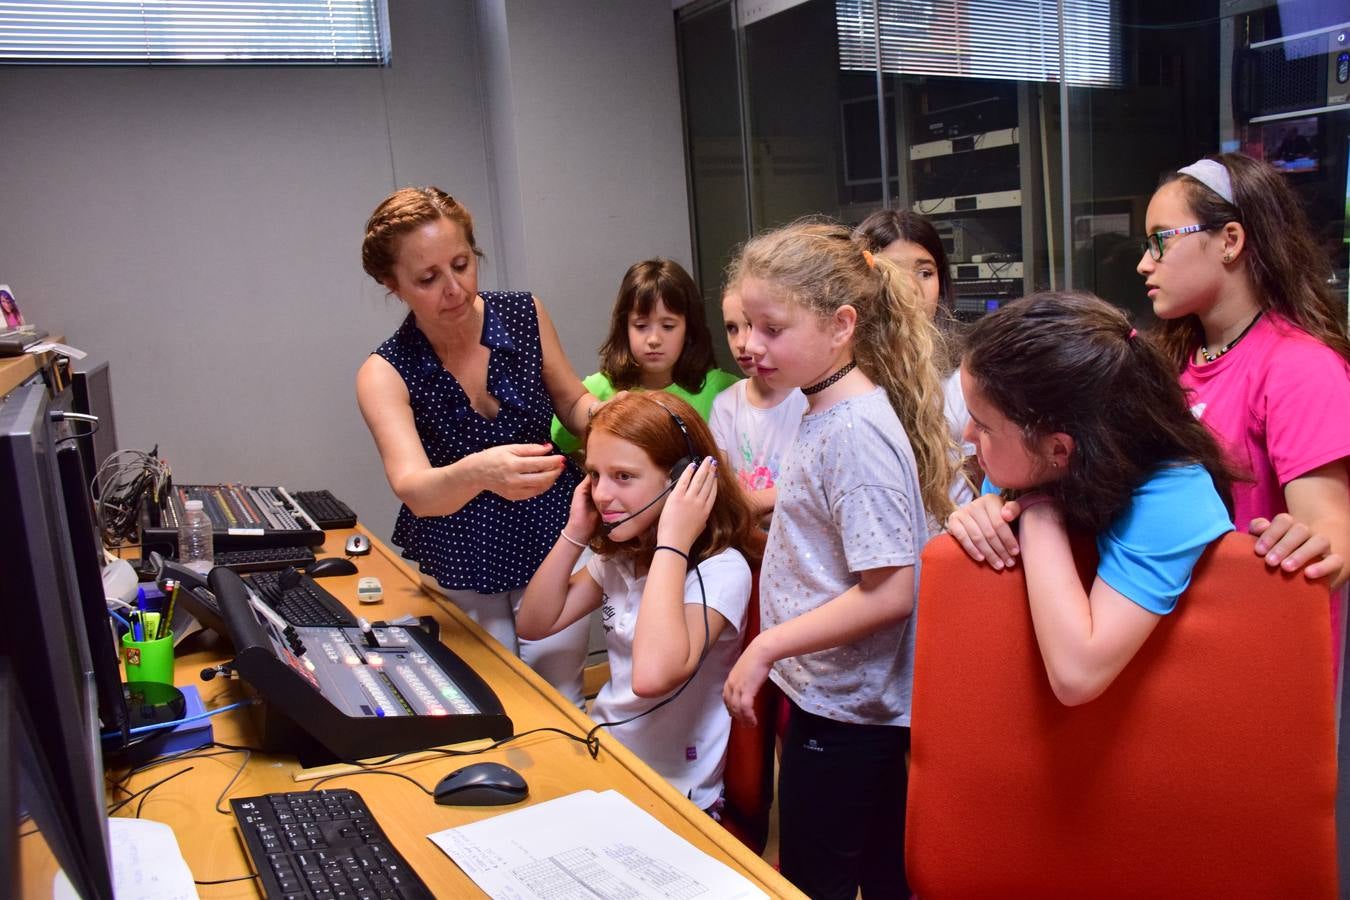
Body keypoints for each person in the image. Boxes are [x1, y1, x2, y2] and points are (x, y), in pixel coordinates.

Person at [721, 220, 957, 899]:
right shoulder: (822, 407)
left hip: (847, 714)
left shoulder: (852, 431)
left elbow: (890, 593)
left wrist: (767, 647)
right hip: (835, 700)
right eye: (747, 325)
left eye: (773, 328)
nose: (753, 346)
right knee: (881, 875)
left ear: (840, 325)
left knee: (817, 881)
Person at [356, 186, 598, 703]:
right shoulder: (384, 373)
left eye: (463, 264)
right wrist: (479, 472)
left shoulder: (525, 313)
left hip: (553, 529)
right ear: (391, 284)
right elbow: (416, 489)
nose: (455, 289)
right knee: (491, 697)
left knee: (562, 693)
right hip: (465, 547)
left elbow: (572, 401)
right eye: (427, 278)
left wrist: (609, 421)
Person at [945, 292, 1238, 706]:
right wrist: (980, 515)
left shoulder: (1177, 492)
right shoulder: (1036, 464)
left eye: (984, 426)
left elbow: (1077, 675)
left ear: (1059, 450)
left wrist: (1037, 513)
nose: (968, 438)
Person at [517, 393, 760, 812]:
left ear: (683, 480)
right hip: (608, 758)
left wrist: (673, 540)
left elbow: (651, 677)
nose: (603, 494)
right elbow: (534, 623)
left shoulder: (722, 572)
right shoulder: (622, 557)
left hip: (677, 793)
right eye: (594, 475)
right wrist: (575, 530)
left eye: (623, 477)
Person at [1138, 153, 1350, 589]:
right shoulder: (1170, 358)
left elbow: (1331, 529)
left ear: (1230, 240)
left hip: (1254, 640)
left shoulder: (1299, 366)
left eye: (1161, 240)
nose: (1144, 263)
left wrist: (1312, 545)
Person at [551, 259, 739, 454]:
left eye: (668, 326)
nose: (654, 339)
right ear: (624, 327)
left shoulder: (724, 389)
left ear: (689, 329)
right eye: (641, 326)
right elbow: (554, 445)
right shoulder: (596, 391)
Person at [855, 209, 975, 503]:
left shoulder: (965, 373)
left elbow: (982, 481)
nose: (912, 289)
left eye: (925, 273)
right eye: (894, 272)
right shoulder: (838, 372)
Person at [708, 286, 806, 521]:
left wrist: (748, 504)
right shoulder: (725, 405)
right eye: (732, 328)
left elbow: (811, 486)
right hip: (745, 541)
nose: (742, 343)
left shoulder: (808, 399)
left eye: (750, 325)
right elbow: (719, 488)